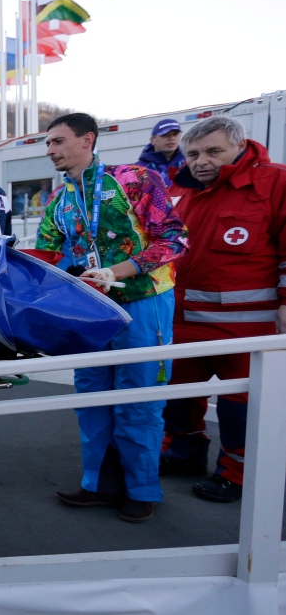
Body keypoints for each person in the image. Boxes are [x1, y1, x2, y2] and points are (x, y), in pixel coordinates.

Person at [33, 113, 188, 523]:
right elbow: (48, 256)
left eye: (57, 141)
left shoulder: (135, 178)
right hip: (90, 312)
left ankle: (140, 489)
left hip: (143, 301)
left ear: (87, 139)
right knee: (92, 399)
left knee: (139, 399)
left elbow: (175, 239)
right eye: (47, 143)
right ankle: (99, 485)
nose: (50, 150)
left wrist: (119, 271)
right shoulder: (58, 200)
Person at [159, 115, 286, 503]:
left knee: (241, 404)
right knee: (178, 394)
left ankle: (237, 473)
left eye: (214, 151)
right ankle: (185, 452)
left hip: (246, 330)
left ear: (239, 146)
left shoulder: (274, 182)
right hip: (183, 324)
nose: (201, 161)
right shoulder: (178, 191)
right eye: (193, 153)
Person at [136, 119, 186, 187]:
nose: (171, 138)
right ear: (153, 140)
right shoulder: (139, 169)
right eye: (165, 134)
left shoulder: (188, 164)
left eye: (175, 134)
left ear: (179, 137)